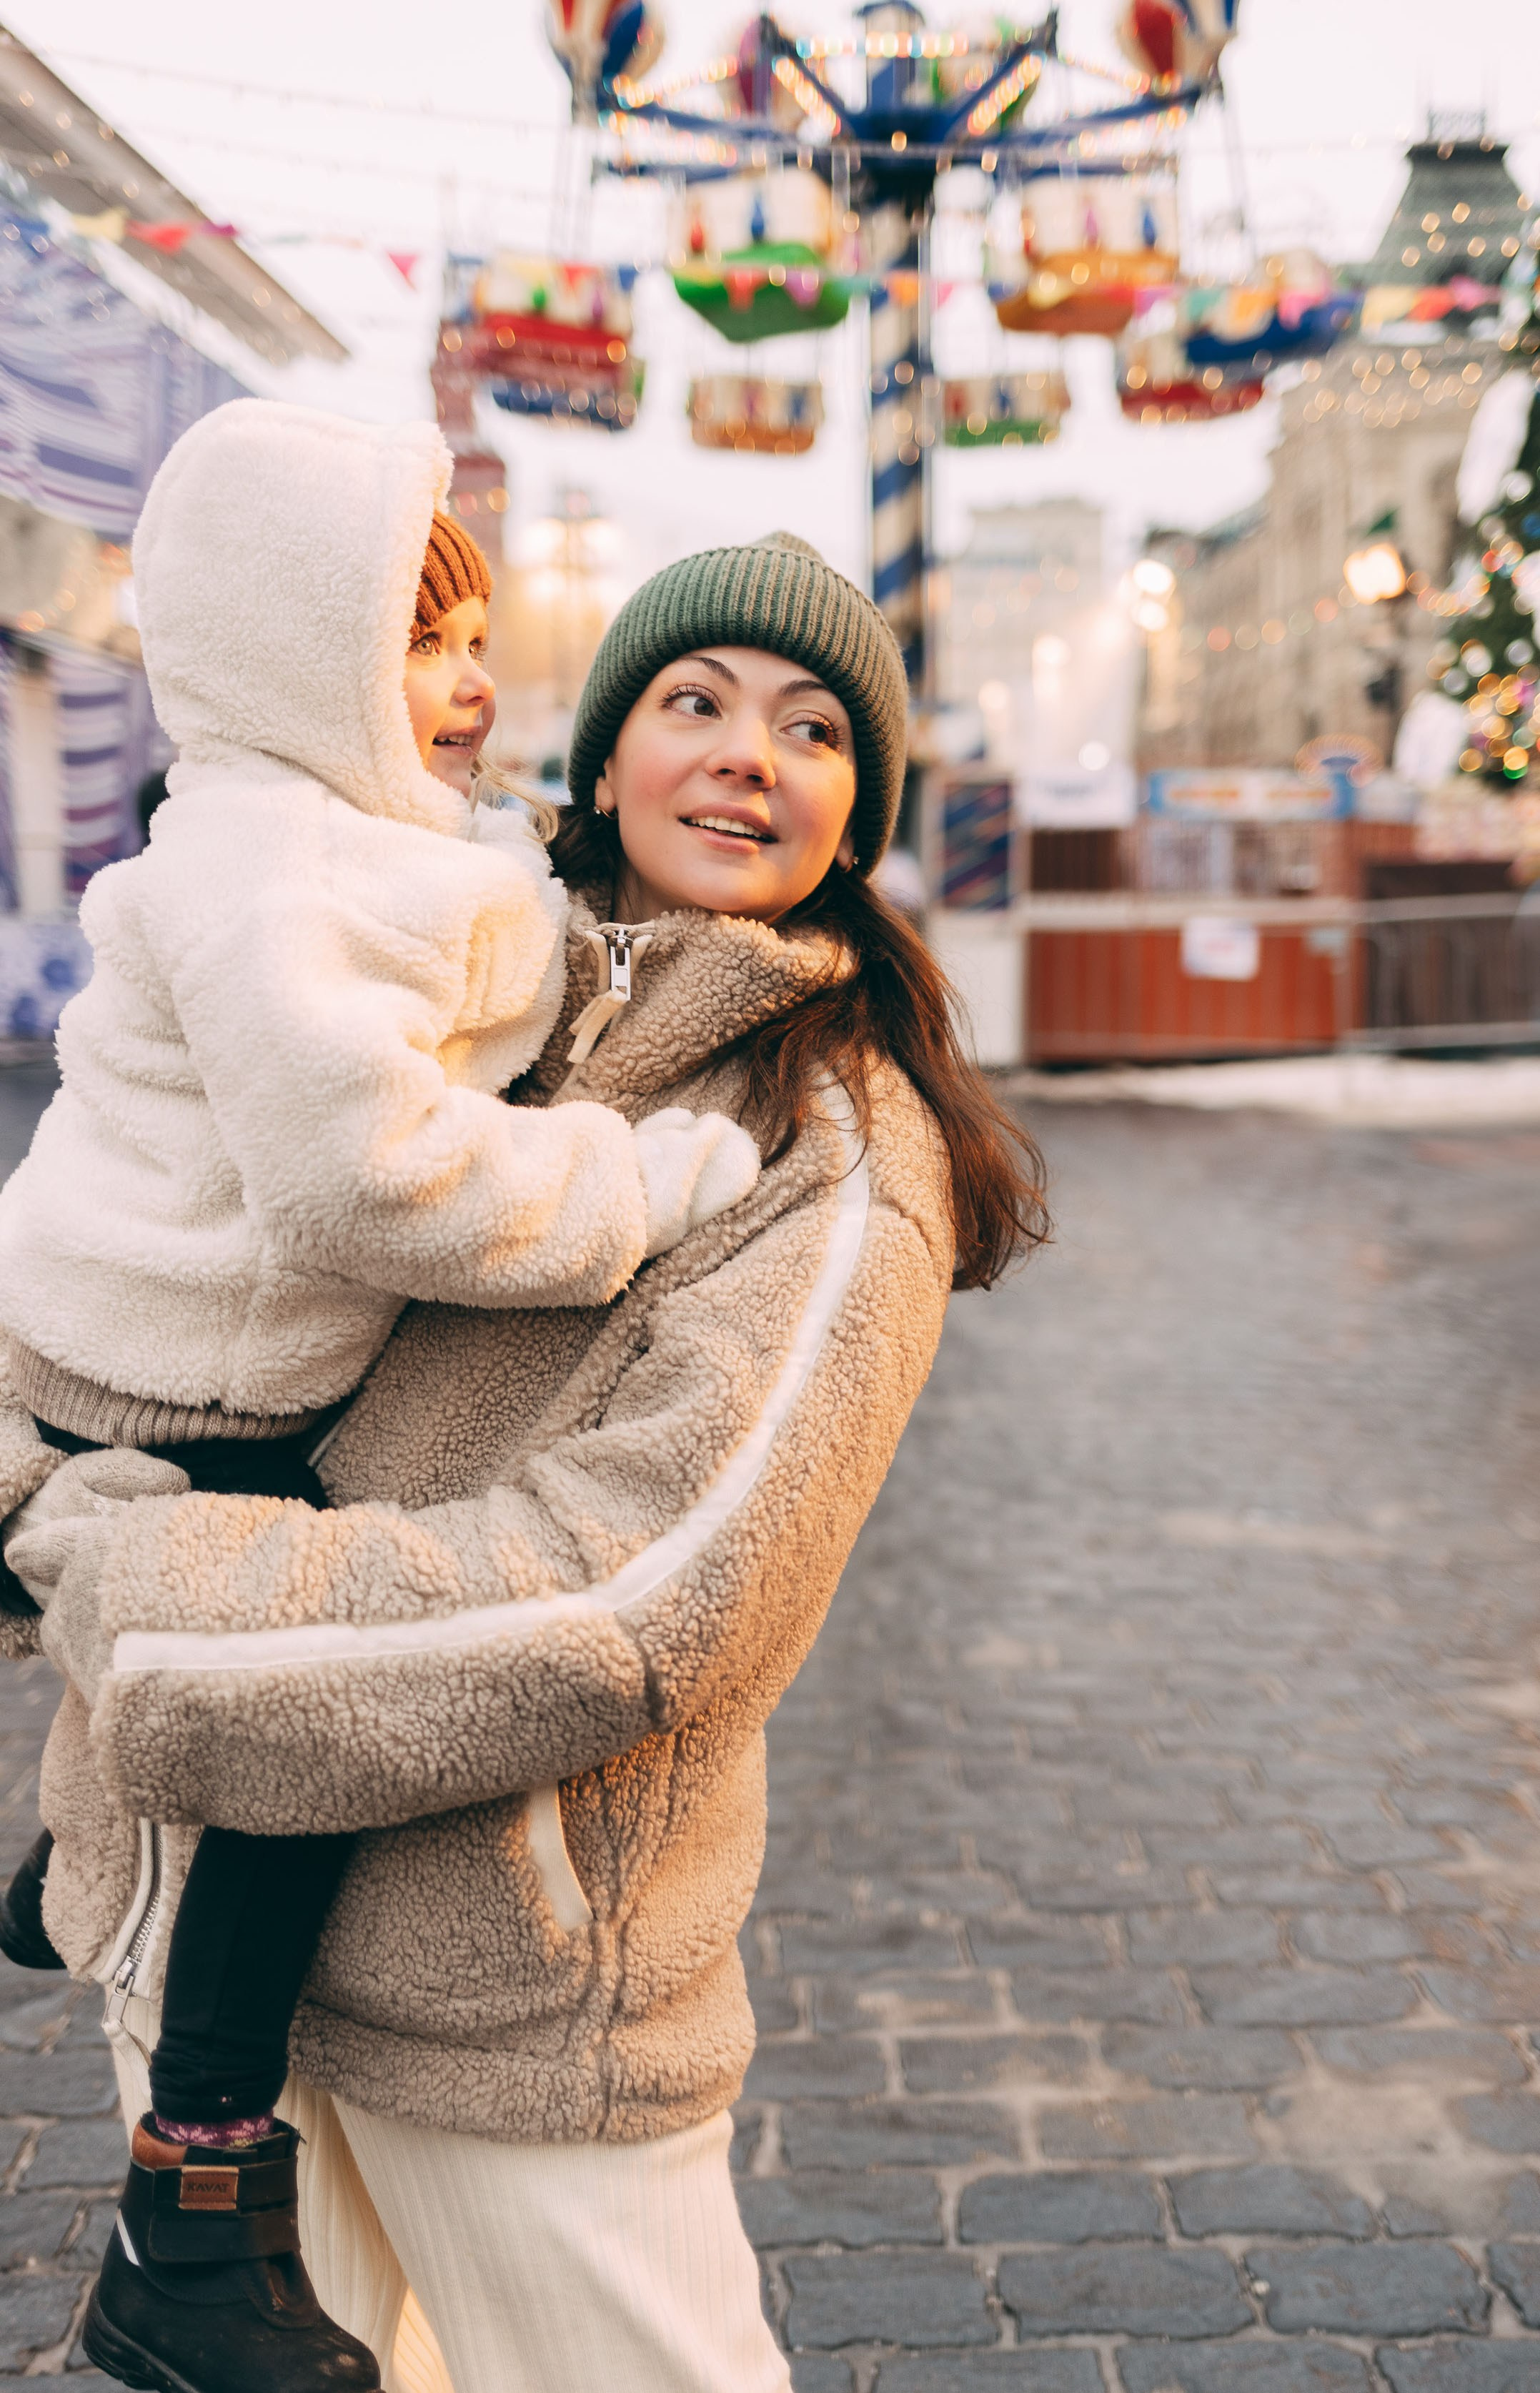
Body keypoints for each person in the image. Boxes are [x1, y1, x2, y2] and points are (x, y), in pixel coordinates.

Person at [3, 530, 1048, 2393]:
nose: (746, 751)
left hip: (507, 2001)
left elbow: (647, 1595)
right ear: (607, 751)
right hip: (196, 1926)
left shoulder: (828, 1142)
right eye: (693, 700)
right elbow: (160, 1247)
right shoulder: (433, 987)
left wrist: (139, 1597)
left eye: (813, 732)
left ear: (857, 811)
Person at [0, 400, 760, 2393]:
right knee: (302, 1724)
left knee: (203, 1668)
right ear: (294, 655)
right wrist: (639, 1180)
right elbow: (367, 1172)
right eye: (417, 644)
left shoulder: (317, 842)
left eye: (472, 636)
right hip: (182, 1374)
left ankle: (68, 1844)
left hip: (144, 1344)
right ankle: (194, 2202)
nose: (466, 683)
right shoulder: (266, 870)